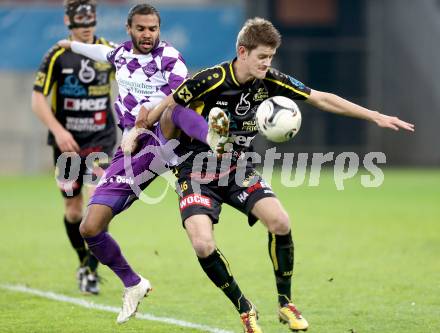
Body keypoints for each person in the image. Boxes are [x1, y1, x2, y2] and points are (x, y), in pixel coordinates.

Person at [139, 17, 415, 333]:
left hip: (236, 168)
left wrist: (373, 115)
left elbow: (321, 98)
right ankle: (244, 307)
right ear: (242, 52)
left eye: (271, 57)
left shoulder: (269, 80)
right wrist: (144, 130)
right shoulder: (210, 80)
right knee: (202, 244)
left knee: (280, 221)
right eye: (262, 57)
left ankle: (286, 304)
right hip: (195, 172)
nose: (267, 64)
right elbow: (172, 107)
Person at [57, 3, 228, 324]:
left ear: (159, 29)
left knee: (171, 110)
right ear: (129, 29)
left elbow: (180, 94)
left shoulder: (169, 57)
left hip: (167, 138)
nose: (147, 34)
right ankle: (133, 284)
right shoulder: (120, 54)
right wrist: (69, 45)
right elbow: (98, 52)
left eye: (152, 28)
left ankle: (215, 139)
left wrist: (139, 126)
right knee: (90, 227)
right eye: (141, 29)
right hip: (134, 150)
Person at [31, 0, 118, 295]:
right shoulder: (57, 55)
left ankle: (92, 271)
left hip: (101, 139)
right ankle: (84, 262)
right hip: (67, 144)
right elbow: (38, 99)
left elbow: (132, 81)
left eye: (90, 23)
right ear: (69, 23)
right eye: (80, 24)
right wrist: (58, 130)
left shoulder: (108, 50)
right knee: (73, 209)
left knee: (97, 201)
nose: (86, 29)